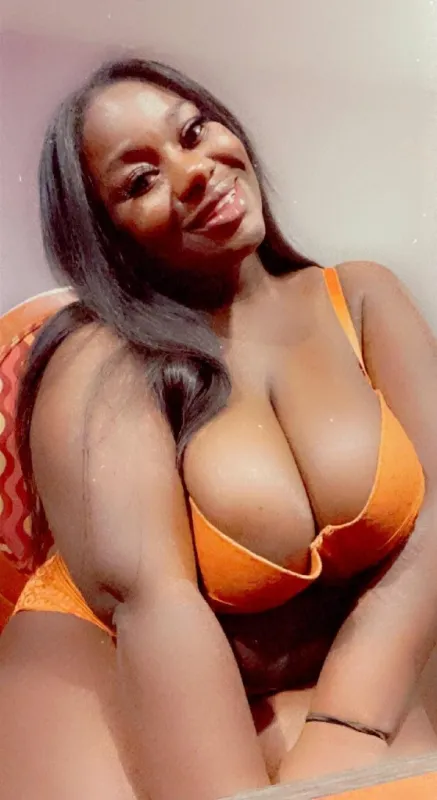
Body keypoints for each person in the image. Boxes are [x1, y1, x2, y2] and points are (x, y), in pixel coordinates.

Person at [0, 57, 436, 800]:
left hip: (319, 682)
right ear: (107, 235)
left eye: (194, 132)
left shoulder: (362, 296)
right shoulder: (101, 358)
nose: (195, 171)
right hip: (114, 674)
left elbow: (432, 520)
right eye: (140, 180)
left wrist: (347, 722)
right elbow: (154, 610)